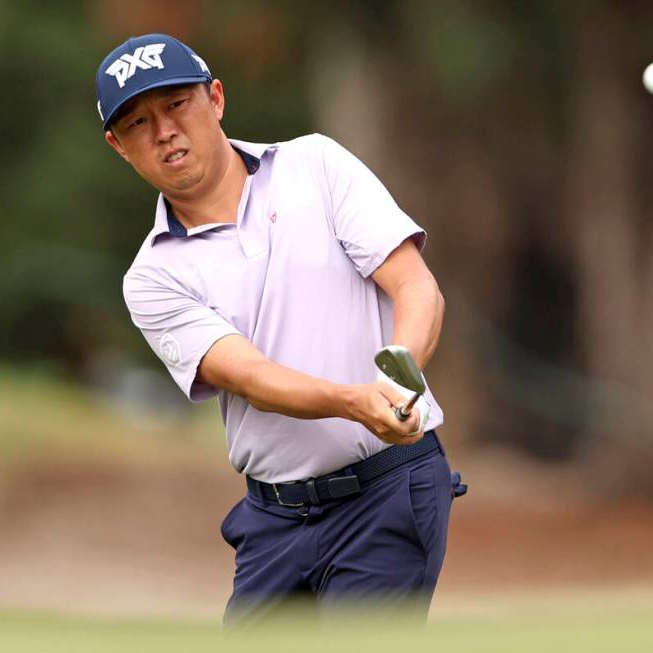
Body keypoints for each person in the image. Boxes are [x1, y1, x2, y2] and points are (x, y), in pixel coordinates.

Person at [95, 34, 465, 625]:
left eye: (177, 105)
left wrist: (399, 374)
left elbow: (416, 287)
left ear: (215, 98)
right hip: (272, 519)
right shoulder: (152, 276)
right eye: (138, 121)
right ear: (118, 145)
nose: (164, 131)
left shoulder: (314, 164)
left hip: (387, 491)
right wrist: (353, 399)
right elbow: (253, 377)